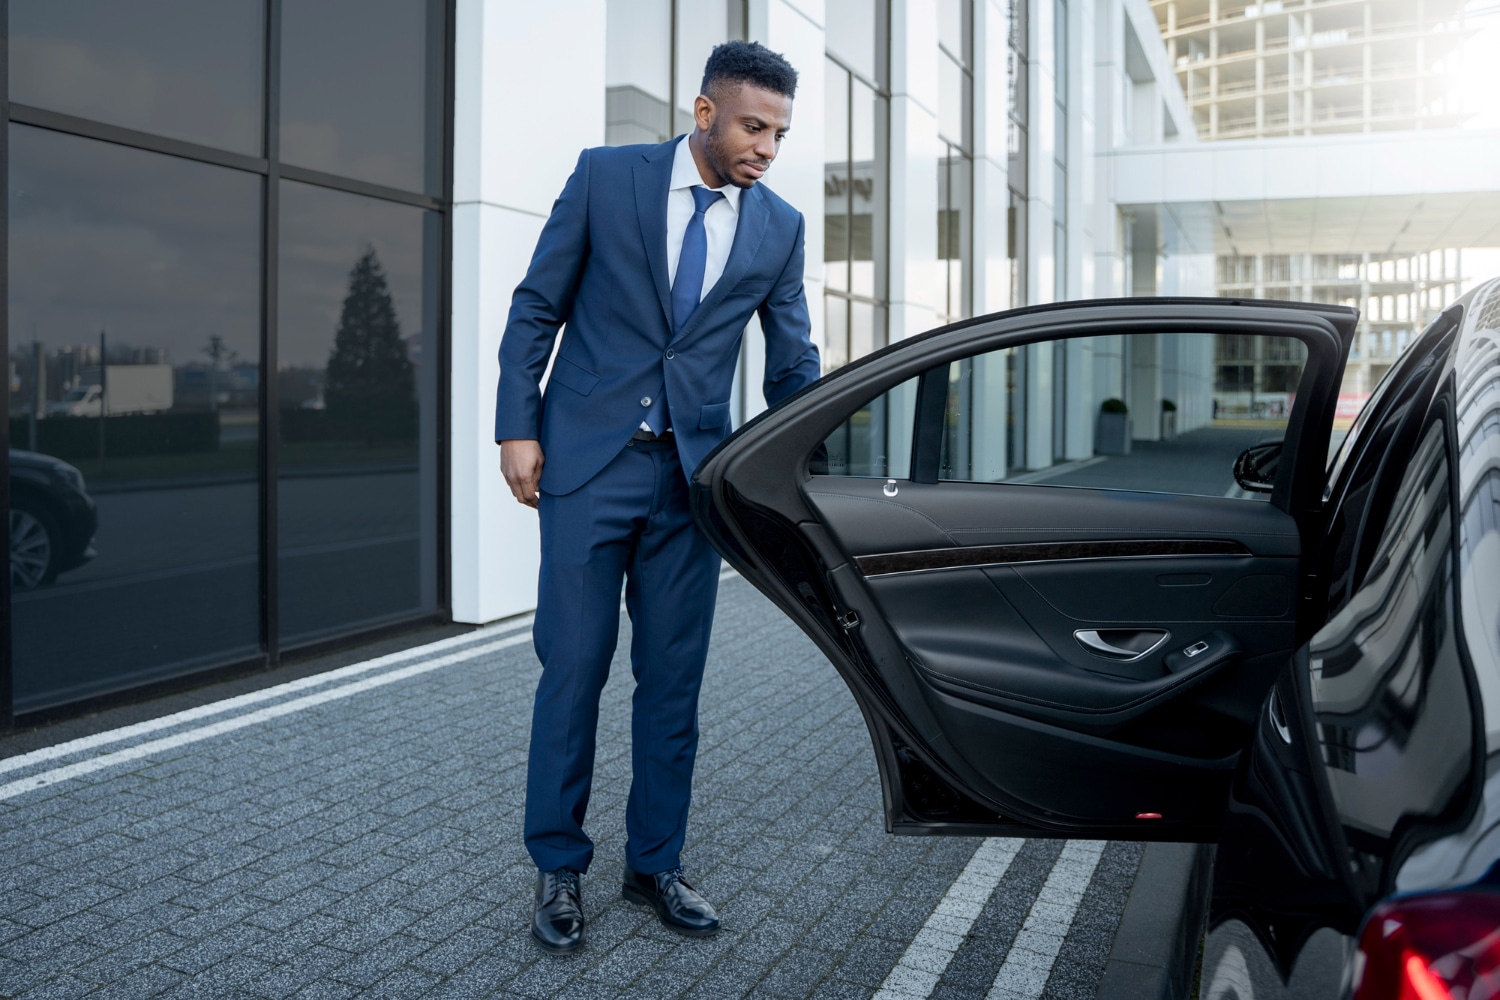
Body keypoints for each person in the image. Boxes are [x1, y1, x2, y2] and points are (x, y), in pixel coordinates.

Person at [494, 40, 820, 955]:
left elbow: (793, 364)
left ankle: (654, 866)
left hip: (692, 485)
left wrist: (804, 466)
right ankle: (559, 869)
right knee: (573, 673)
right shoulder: (607, 178)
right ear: (705, 112)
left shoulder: (779, 226)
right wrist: (517, 427)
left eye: (781, 133)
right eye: (754, 125)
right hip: (588, 469)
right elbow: (536, 307)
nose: (767, 146)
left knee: (673, 687)